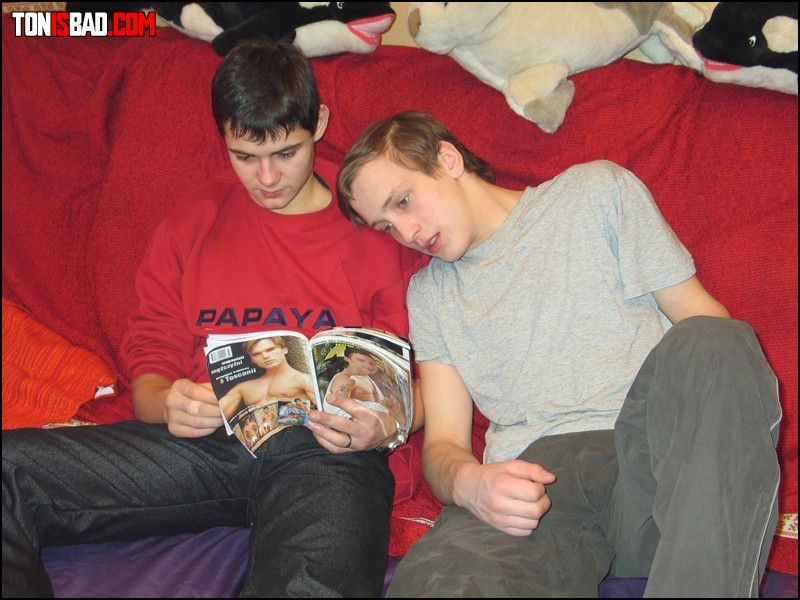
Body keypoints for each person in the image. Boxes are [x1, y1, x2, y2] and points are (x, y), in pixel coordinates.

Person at [2, 43, 426, 598]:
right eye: (245, 156)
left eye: (286, 153)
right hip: (208, 443)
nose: (267, 178)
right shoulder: (194, 221)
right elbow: (149, 360)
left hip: (327, 453)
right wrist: (166, 402)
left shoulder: (375, 226)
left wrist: (383, 423)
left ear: (318, 124)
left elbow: (427, 378)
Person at [336, 111, 782, 598]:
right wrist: (470, 484)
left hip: (652, 458)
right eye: (387, 225)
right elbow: (444, 444)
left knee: (719, 341)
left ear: (448, 159)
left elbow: (703, 325)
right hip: (535, 483)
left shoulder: (595, 192)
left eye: (404, 201)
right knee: (439, 584)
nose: (407, 233)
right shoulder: (430, 294)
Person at [218, 336, 316, 420]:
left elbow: (323, 413)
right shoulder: (243, 388)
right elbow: (219, 415)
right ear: (252, 359)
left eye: (270, 350)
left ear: (284, 349)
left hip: (298, 432)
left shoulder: (301, 379)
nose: (265, 356)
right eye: (256, 354)